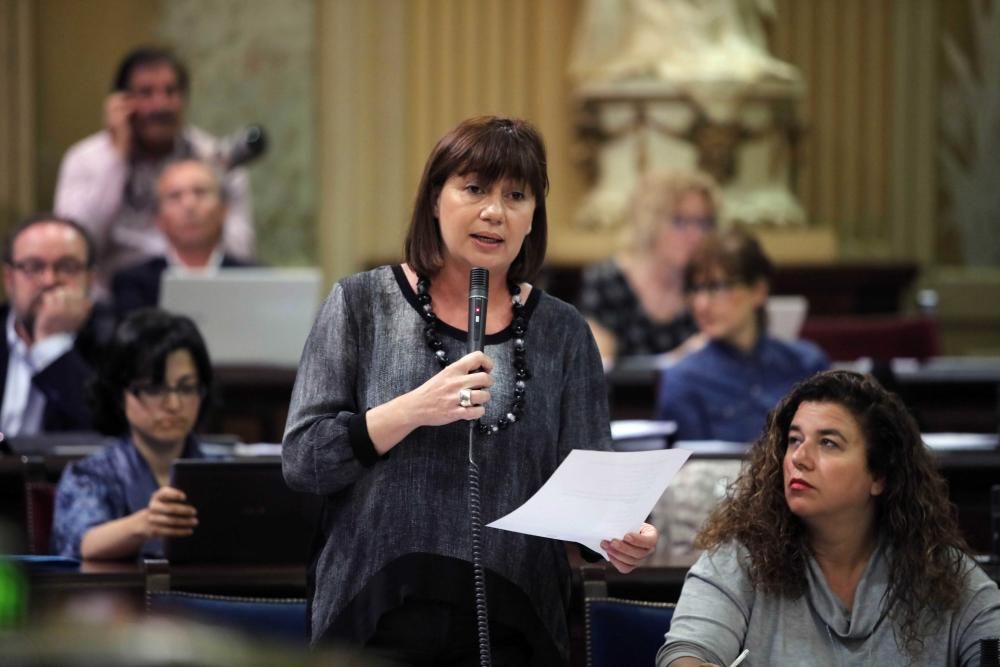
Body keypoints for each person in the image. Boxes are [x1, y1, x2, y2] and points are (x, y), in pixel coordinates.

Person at [282, 115, 658, 665]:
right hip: (376, 615)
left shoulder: (563, 332)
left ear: (533, 217)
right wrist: (412, 410)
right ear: (436, 198)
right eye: (475, 188)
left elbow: (588, 498)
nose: (494, 212)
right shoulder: (361, 305)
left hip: (517, 618)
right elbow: (304, 462)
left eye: (516, 195)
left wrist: (617, 538)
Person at [657, 370, 1000, 667]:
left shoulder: (940, 572)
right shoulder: (739, 559)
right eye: (794, 440)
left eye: (828, 443)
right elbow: (686, 652)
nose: (799, 458)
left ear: (879, 475)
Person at [54, 47, 254, 290]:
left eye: (170, 92)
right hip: (112, 300)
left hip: (204, 290)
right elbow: (76, 248)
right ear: (120, 102)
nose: (160, 105)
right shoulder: (85, 160)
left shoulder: (214, 158)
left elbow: (240, 251)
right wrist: (116, 159)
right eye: (146, 93)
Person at [51, 309, 212, 560]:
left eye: (186, 388)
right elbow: (81, 543)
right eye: (154, 388)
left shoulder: (218, 472)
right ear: (119, 395)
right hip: (121, 599)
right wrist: (145, 524)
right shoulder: (90, 475)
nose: (173, 404)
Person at [655, 228, 828, 441]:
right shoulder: (683, 379)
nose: (701, 304)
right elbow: (693, 470)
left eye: (717, 287)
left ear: (758, 291)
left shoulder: (807, 363)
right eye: (696, 289)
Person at [577, 168, 718, 364]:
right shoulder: (607, 280)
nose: (696, 235)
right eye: (680, 221)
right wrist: (679, 359)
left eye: (704, 223)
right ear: (650, 222)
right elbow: (600, 369)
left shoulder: (709, 280)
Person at [0, 214, 115, 436]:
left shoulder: (116, 340)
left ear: (90, 279)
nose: (49, 281)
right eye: (33, 267)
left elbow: (108, 436)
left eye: (67, 267)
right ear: (9, 279)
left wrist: (53, 346)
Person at [110, 158, 256, 316]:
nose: (189, 205)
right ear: (158, 219)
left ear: (223, 210)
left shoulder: (257, 280)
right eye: (175, 196)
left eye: (200, 192)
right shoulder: (134, 285)